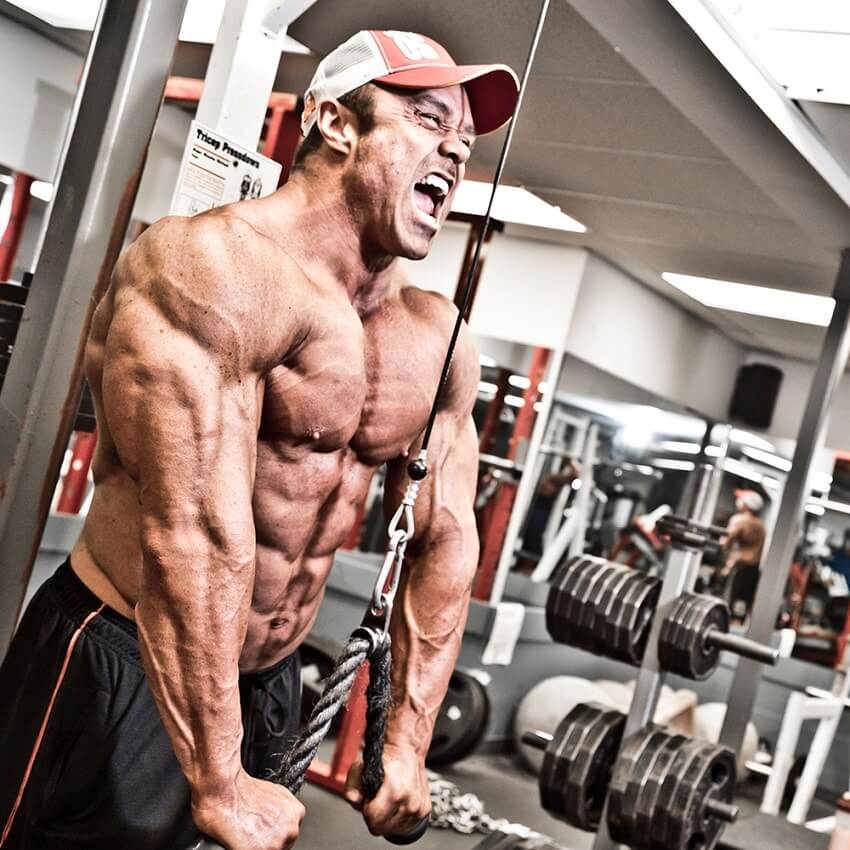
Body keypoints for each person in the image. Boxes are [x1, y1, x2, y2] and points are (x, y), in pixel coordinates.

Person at [0, 30, 518, 850]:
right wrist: (216, 776)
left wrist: (408, 744)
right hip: (123, 661)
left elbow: (445, 541)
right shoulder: (211, 270)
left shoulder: (433, 339)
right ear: (334, 122)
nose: (455, 148)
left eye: (465, 136)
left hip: (271, 680)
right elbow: (193, 535)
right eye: (425, 117)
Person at [713, 488, 767, 615]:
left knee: (729, 605)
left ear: (745, 504)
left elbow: (724, 543)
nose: (738, 501)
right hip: (754, 569)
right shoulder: (761, 525)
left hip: (739, 567)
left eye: (740, 499)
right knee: (741, 607)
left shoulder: (739, 520)